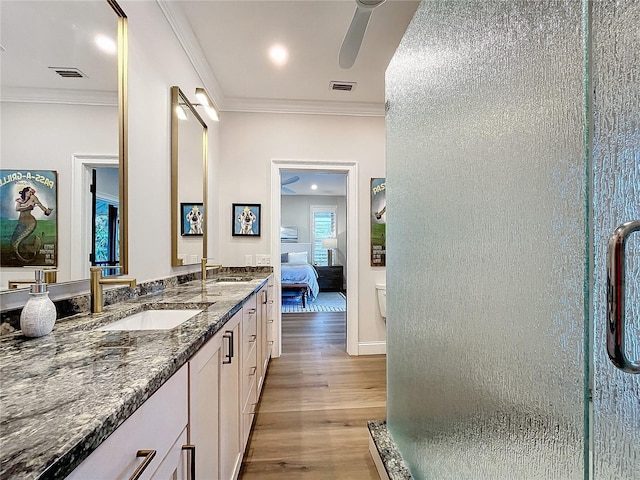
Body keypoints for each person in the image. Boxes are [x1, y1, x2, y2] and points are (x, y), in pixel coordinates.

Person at [10, 186, 53, 262]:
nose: (31, 193)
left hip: (30, 222)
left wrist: (47, 211)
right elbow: (17, 209)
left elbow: (41, 206)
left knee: (20, 240)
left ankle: (28, 254)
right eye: (29, 191)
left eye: (31, 192)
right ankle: (17, 256)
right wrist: (27, 207)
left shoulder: (33, 198)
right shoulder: (20, 200)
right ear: (25, 192)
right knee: (14, 240)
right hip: (21, 222)